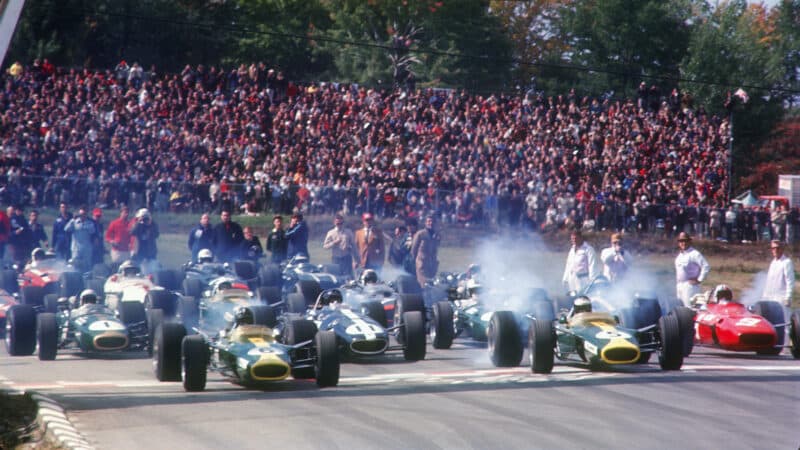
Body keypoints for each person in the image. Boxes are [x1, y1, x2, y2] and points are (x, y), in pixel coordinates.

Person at [674, 232, 710, 307]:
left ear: (689, 242)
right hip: (679, 285)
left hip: (690, 286)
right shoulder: (680, 255)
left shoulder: (694, 254)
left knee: (690, 308)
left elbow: (706, 266)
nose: (683, 243)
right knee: (681, 309)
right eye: (681, 241)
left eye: (685, 241)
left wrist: (699, 279)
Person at [762, 240, 795, 319]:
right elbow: (769, 282)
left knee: (784, 321)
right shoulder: (773, 263)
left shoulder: (786, 262)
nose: (775, 250)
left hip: (781, 298)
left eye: (777, 248)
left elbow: (790, 281)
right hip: (770, 298)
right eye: (773, 248)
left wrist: (788, 297)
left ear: (782, 249)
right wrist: (764, 297)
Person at [64, 206, 98, 272]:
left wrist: (84, 225)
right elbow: (66, 229)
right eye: (81, 214)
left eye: (84, 214)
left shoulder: (90, 223)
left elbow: (93, 232)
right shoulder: (74, 222)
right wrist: (73, 220)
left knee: (87, 265)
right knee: (74, 264)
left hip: (86, 248)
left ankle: (86, 278)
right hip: (76, 248)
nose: (82, 216)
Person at [322, 213, 356, 277]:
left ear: (343, 223)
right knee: (336, 277)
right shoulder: (330, 233)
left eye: (341, 223)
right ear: (334, 223)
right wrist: (334, 243)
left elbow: (354, 247)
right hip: (336, 259)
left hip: (347, 258)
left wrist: (356, 261)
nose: (339, 225)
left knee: (349, 277)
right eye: (338, 223)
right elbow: (325, 246)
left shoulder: (348, 232)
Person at [411, 215, 441, 286]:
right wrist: (416, 261)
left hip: (432, 265)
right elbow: (413, 250)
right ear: (425, 223)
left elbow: (437, 247)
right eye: (429, 221)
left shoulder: (437, 235)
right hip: (422, 264)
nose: (431, 223)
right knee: (424, 285)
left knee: (432, 284)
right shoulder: (420, 234)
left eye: (432, 221)